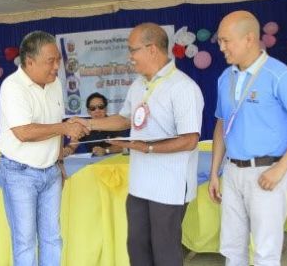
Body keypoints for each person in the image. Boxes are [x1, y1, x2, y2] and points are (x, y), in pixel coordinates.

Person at [71, 22, 204, 265]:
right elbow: (124, 118)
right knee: (137, 248)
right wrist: (88, 124)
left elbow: (189, 140)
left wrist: (147, 148)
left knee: (165, 252)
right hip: (140, 183)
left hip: (170, 185)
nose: (130, 57)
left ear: (152, 49)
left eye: (133, 50)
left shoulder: (184, 87)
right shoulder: (138, 84)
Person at [207, 10, 287, 266]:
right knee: (232, 248)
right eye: (220, 41)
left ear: (249, 39)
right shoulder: (225, 77)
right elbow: (222, 124)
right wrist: (215, 172)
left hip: (266, 174)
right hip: (232, 172)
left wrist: (281, 168)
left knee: (265, 252)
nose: (221, 47)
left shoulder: (278, 74)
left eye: (226, 41)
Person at [0, 30, 89, 266]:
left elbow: (57, 126)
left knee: (52, 238)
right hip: (20, 173)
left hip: (50, 172)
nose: (57, 66)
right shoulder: (13, 87)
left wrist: (59, 162)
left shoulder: (55, 84)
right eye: (51, 61)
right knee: (25, 242)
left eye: (58, 59)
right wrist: (65, 128)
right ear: (30, 61)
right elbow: (24, 132)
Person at [63, 92, 125, 157]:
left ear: (106, 109)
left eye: (101, 107)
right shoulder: (84, 125)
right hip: (92, 163)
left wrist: (105, 150)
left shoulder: (114, 123)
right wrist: (68, 150)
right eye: (93, 108)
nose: (97, 110)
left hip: (114, 162)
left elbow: (122, 145)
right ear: (88, 112)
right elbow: (73, 143)